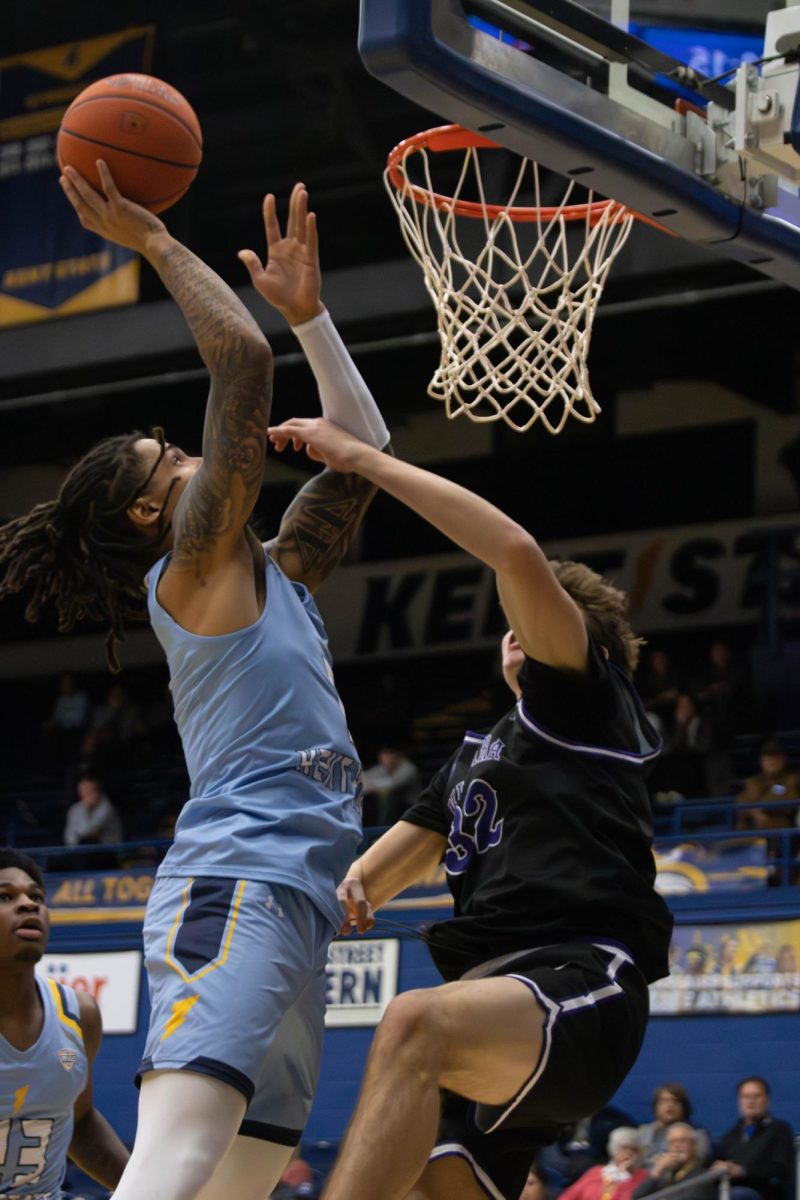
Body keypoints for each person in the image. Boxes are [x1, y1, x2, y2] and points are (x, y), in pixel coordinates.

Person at [0, 163, 391, 1200]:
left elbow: (358, 459)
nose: (186, 455)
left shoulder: (272, 573)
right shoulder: (196, 566)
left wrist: (315, 318)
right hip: (236, 885)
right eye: (165, 456)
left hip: (298, 901)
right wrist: (154, 242)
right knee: (171, 1167)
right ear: (143, 515)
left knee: (235, 1184)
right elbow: (239, 363)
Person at [263, 416, 673, 1200]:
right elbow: (378, 873)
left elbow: (514, 553)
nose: (518, 629)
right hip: (495, 1010)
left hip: (579, 981)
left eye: (542, 617)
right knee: (430, 1180)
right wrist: (331, 890)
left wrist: (360, 461)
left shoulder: (586, 704)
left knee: (413, 1022)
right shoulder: (474, 755)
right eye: (513, 624)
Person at [0, 846, 129, 1196]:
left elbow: (81, 1122)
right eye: (5, 896)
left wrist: (147, 1189)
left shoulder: (78, 1013)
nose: (29, 904)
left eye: (36, 896)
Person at [712, 1076, 795, 1200]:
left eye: (756, 1096)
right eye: (745, 1097)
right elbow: (715, 1163)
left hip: (766, 1193)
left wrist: (743, 1171)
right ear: (739, 1101)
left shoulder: (779, 1130)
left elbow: (779, 1169)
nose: (751, 1101)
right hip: (731, 1191)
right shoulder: (730, 1136)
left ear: (767, 1100)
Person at [557, 1129, 648, 1200]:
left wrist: (623, 1176)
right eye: (624, 1148)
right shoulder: (596, 1171)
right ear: (614, 1149)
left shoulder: (642, 1176)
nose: (628, 1153)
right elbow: (568, 1196)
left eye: (634, 1150)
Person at [633, 1124, 717, 1200]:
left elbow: (692, 1197)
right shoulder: (663, 1176)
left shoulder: (702, 1176)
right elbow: (637, 1196)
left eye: (682, 1141)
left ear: (694, 1145)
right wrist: (657, 1170)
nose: (676, 1146)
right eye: (672, 1142)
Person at [637, 1083, 711, 1167]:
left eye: (675, 1101)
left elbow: (696, 1164)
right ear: (656, 1106)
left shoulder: (697, 1134)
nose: (670, 1105)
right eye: (664, 1101)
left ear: (684, 1107)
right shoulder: (643, 1132)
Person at [735, 738, 800, 832]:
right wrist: (755, 813)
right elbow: (740, 804)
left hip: (780, 834)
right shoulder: (753, 781)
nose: (772, 762)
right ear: (761, 761)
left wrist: (758, 807)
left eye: (776, 758)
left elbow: (789, 801)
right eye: (768, 759)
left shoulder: (792, 779)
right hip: (750, 834)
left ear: (783, 760)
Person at [362, 744, 421, 826]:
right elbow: (362, 777)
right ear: (380, 757)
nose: (389, 757)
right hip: (393, 811)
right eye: (385, 753)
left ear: (398, 755)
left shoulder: (409, 768)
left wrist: (369, 786)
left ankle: (383, 829)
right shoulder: (382, 768)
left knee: (391, 797)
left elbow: (393, 784)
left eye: (392, 753)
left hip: (412, 809)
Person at [63, 774, 124, 850]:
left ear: (97, 791)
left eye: (89, 790)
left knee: (88, 843)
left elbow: (91, 833)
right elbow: (69, 834)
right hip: (80, 852)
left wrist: (88, 810)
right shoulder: (75, 809)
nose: (86, 793)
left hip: (107, 851)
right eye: (83, 790)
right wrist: (74, 846)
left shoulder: (107, 808)